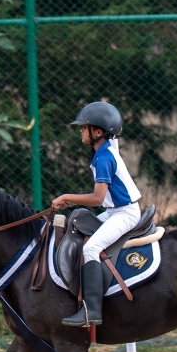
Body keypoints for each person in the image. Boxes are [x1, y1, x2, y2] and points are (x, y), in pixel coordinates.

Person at [52, 101, 143, 328]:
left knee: (91, 248)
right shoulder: (104, 150)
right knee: (76, 227)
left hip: (125, 214)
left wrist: (67, 197)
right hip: (114, 212)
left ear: (98, 132)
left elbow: (98, 198)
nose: (81, 131)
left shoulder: (104, 158)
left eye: (84, 127)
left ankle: (91, 312)